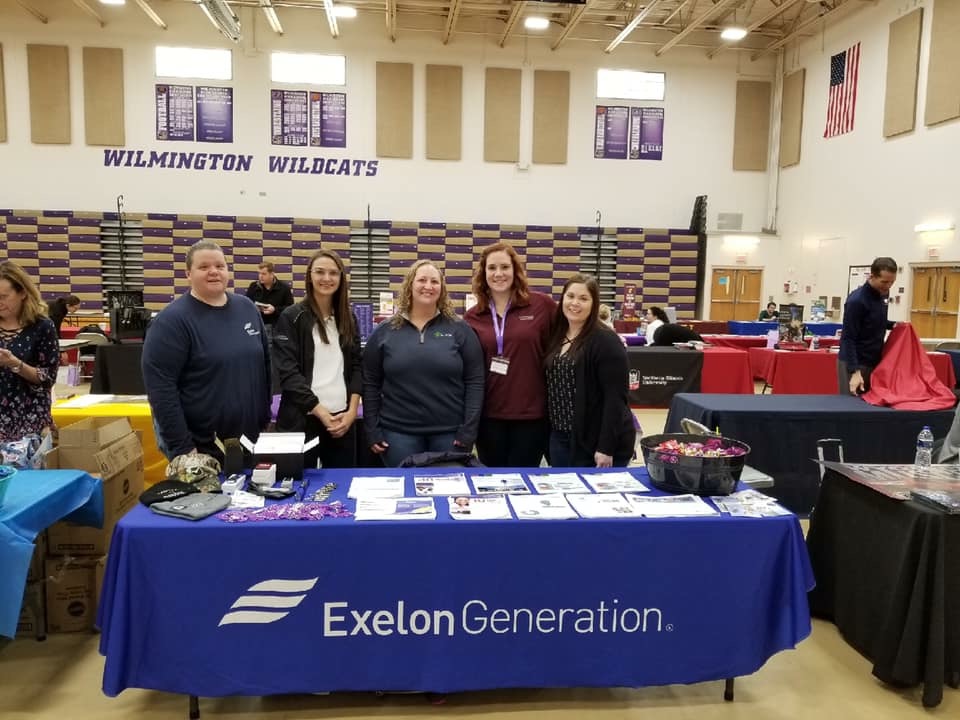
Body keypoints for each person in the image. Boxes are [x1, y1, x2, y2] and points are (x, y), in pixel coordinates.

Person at [142, 240, 271, 461]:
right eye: (204, 267)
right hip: (201, 449)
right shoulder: (171, 322)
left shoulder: (246, 308)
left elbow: (264, 366)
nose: (213, 272)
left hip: (250, 441)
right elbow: (161, 391)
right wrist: (183, 449)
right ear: (188, 274)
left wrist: (264, 416)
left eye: (220, 266)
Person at [362, 260, 485, 467]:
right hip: (397, 434)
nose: (428, 286)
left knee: (448, 492)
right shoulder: (385, 331)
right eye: (422, 280)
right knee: (404, 494)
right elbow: (370, 383)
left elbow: (475, 381)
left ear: (442, 289)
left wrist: (468, 430)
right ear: (410, 285)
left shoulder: (460, 329)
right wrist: (372, 429)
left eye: (434, 281)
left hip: (450, 434)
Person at [463, 243, 555, 467]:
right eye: (492, 268)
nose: (498, 274)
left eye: (505, 267)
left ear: (515, 270)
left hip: (531, 416)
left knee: (523, 483)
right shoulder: (472, 316)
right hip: (489, 417)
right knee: (492, 484)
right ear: (483, 274)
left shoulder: (541, 305)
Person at [272, 249, 361, 469]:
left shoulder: (348, 318)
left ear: (341, 278)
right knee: (298, 488)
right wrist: (320, 411)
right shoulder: (291, 316)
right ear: (310, 276)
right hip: (302, 419)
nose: (327, 278)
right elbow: (288, 373)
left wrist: (351, 412)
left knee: (342, 488)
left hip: (341, 421)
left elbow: (358, 366)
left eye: (333, 273)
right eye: (320, 272)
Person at [544, 274, 636, 468]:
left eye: (583, 298)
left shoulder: (605, 340)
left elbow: (616, 398)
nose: (574, 303)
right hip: (560, 437)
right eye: (570, 296)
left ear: (594, 304)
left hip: (595, 441)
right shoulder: (556, 335)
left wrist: (606, 447)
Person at [0, 262, 60, 442]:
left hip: (30, 420)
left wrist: (15, 364)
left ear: (23, 293)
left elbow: (48, 377)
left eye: (4, 297)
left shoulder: (42, 326)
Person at [838, 257, 897, 395]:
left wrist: (894, 325)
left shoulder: (883, 293)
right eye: (884, 282)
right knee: (852, 408)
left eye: (892, 282)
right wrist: (854, 371)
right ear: (872, 276)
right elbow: (848, 338)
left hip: (874, 361)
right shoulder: (857, 301)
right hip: (855, 362)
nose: (888, 286)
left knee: (871, 409)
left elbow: (875, 321)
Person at [245, 261, 294, 337]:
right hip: (257, 325)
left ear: (272, 274)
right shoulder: (253, 286)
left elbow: (290, 309)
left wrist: (275, 310)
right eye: (259, 273)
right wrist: (255, 308)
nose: (260, 276)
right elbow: (247, 304)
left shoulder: (284, 288)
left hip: (277, 326)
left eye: (264, 274)